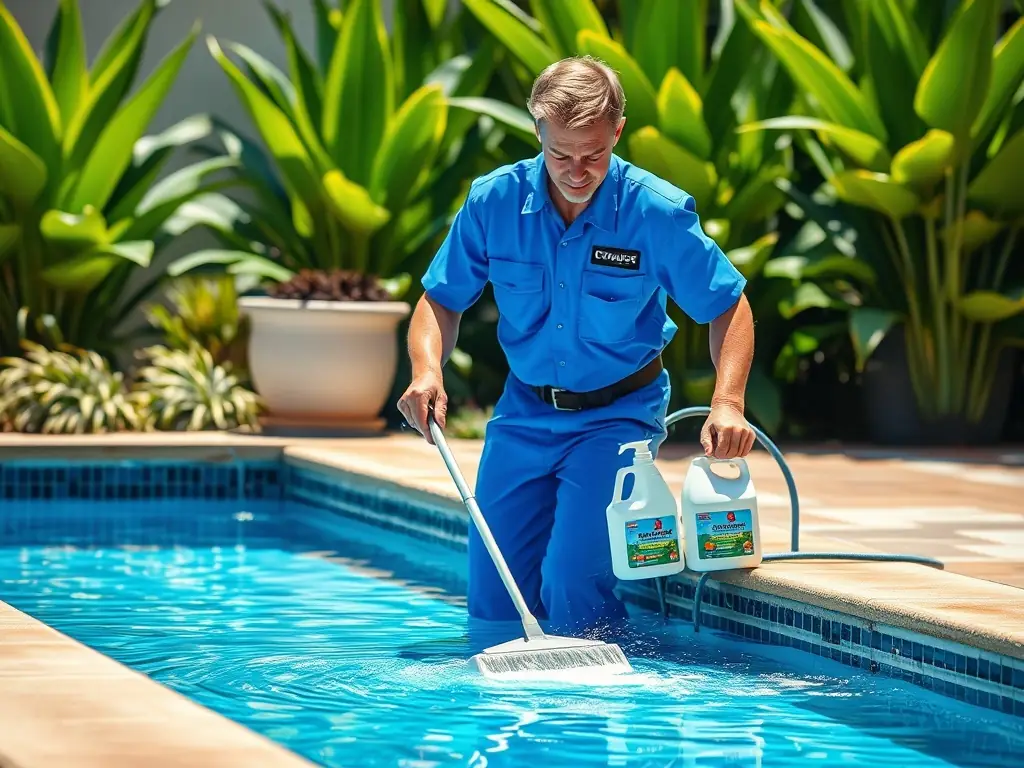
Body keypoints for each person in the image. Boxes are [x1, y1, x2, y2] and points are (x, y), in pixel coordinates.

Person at [397, 56, 756, 638]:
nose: (577, 170)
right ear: (538, 130)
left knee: (571, 582)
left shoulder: (656, 211)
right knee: (493, 593)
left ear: (617, 131)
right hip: (523, 414)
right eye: (560, 153)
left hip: (617, 418)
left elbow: (728, 306)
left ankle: (586, 718)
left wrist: (729, 401)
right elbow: (440, 299)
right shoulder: (493, 202)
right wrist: (426, 370)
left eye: (593, 154)